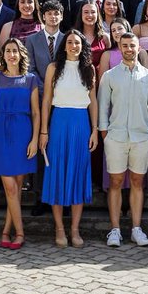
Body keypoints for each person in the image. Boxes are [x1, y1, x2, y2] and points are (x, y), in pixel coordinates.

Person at [97, 32, 148, 248]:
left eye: (132, 45)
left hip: (142, 138)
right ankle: (114, 230)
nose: (129, 49)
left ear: (138, 48)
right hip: (115, 137)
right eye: (124, 45)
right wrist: (105, 134)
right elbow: (103, 106)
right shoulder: (110, 76)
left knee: (137, 182)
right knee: (115, 182)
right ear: (119, 46)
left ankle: (136, 228)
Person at [39, 30, 98, 248]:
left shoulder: (89, 69)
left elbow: (93, 102)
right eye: (70, 42)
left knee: (78, 173)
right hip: (58, 123)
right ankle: (59, 229)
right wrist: (43, 131)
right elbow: (46, 101)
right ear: (64, 46)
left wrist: (95, 130)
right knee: (56, 173)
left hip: (81, 124)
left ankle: (74, 229)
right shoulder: (53, 68)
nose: (74, 46)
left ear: (83, 46)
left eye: (78, 43)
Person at [0, 39, 41, 249]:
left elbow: (36, 112)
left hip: (23, 134)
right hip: (0, 133)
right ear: (3, 55)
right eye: (7, 51)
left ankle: (6, 231)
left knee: (15, 188)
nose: (11, 54)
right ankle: (20, 233)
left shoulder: (30, 79)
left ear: (20, 54)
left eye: (14, 51)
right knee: (10, 187)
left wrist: (35, 139)